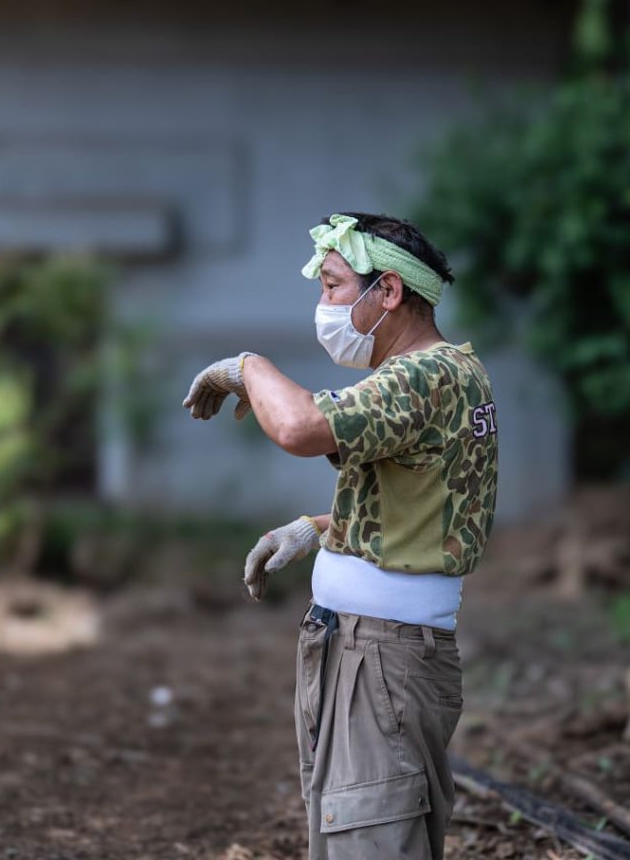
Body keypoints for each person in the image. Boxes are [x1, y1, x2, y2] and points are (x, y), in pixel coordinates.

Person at [181, 212, 498, 860]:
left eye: (331, 285)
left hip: (379, 660)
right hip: (370, 653)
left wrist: (250, 366)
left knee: (369, 841)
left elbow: (299, 427)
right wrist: (318, 530)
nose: (322, 306)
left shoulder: (421, 376)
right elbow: (432, 506)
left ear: (388, 292)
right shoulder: (450, 374)